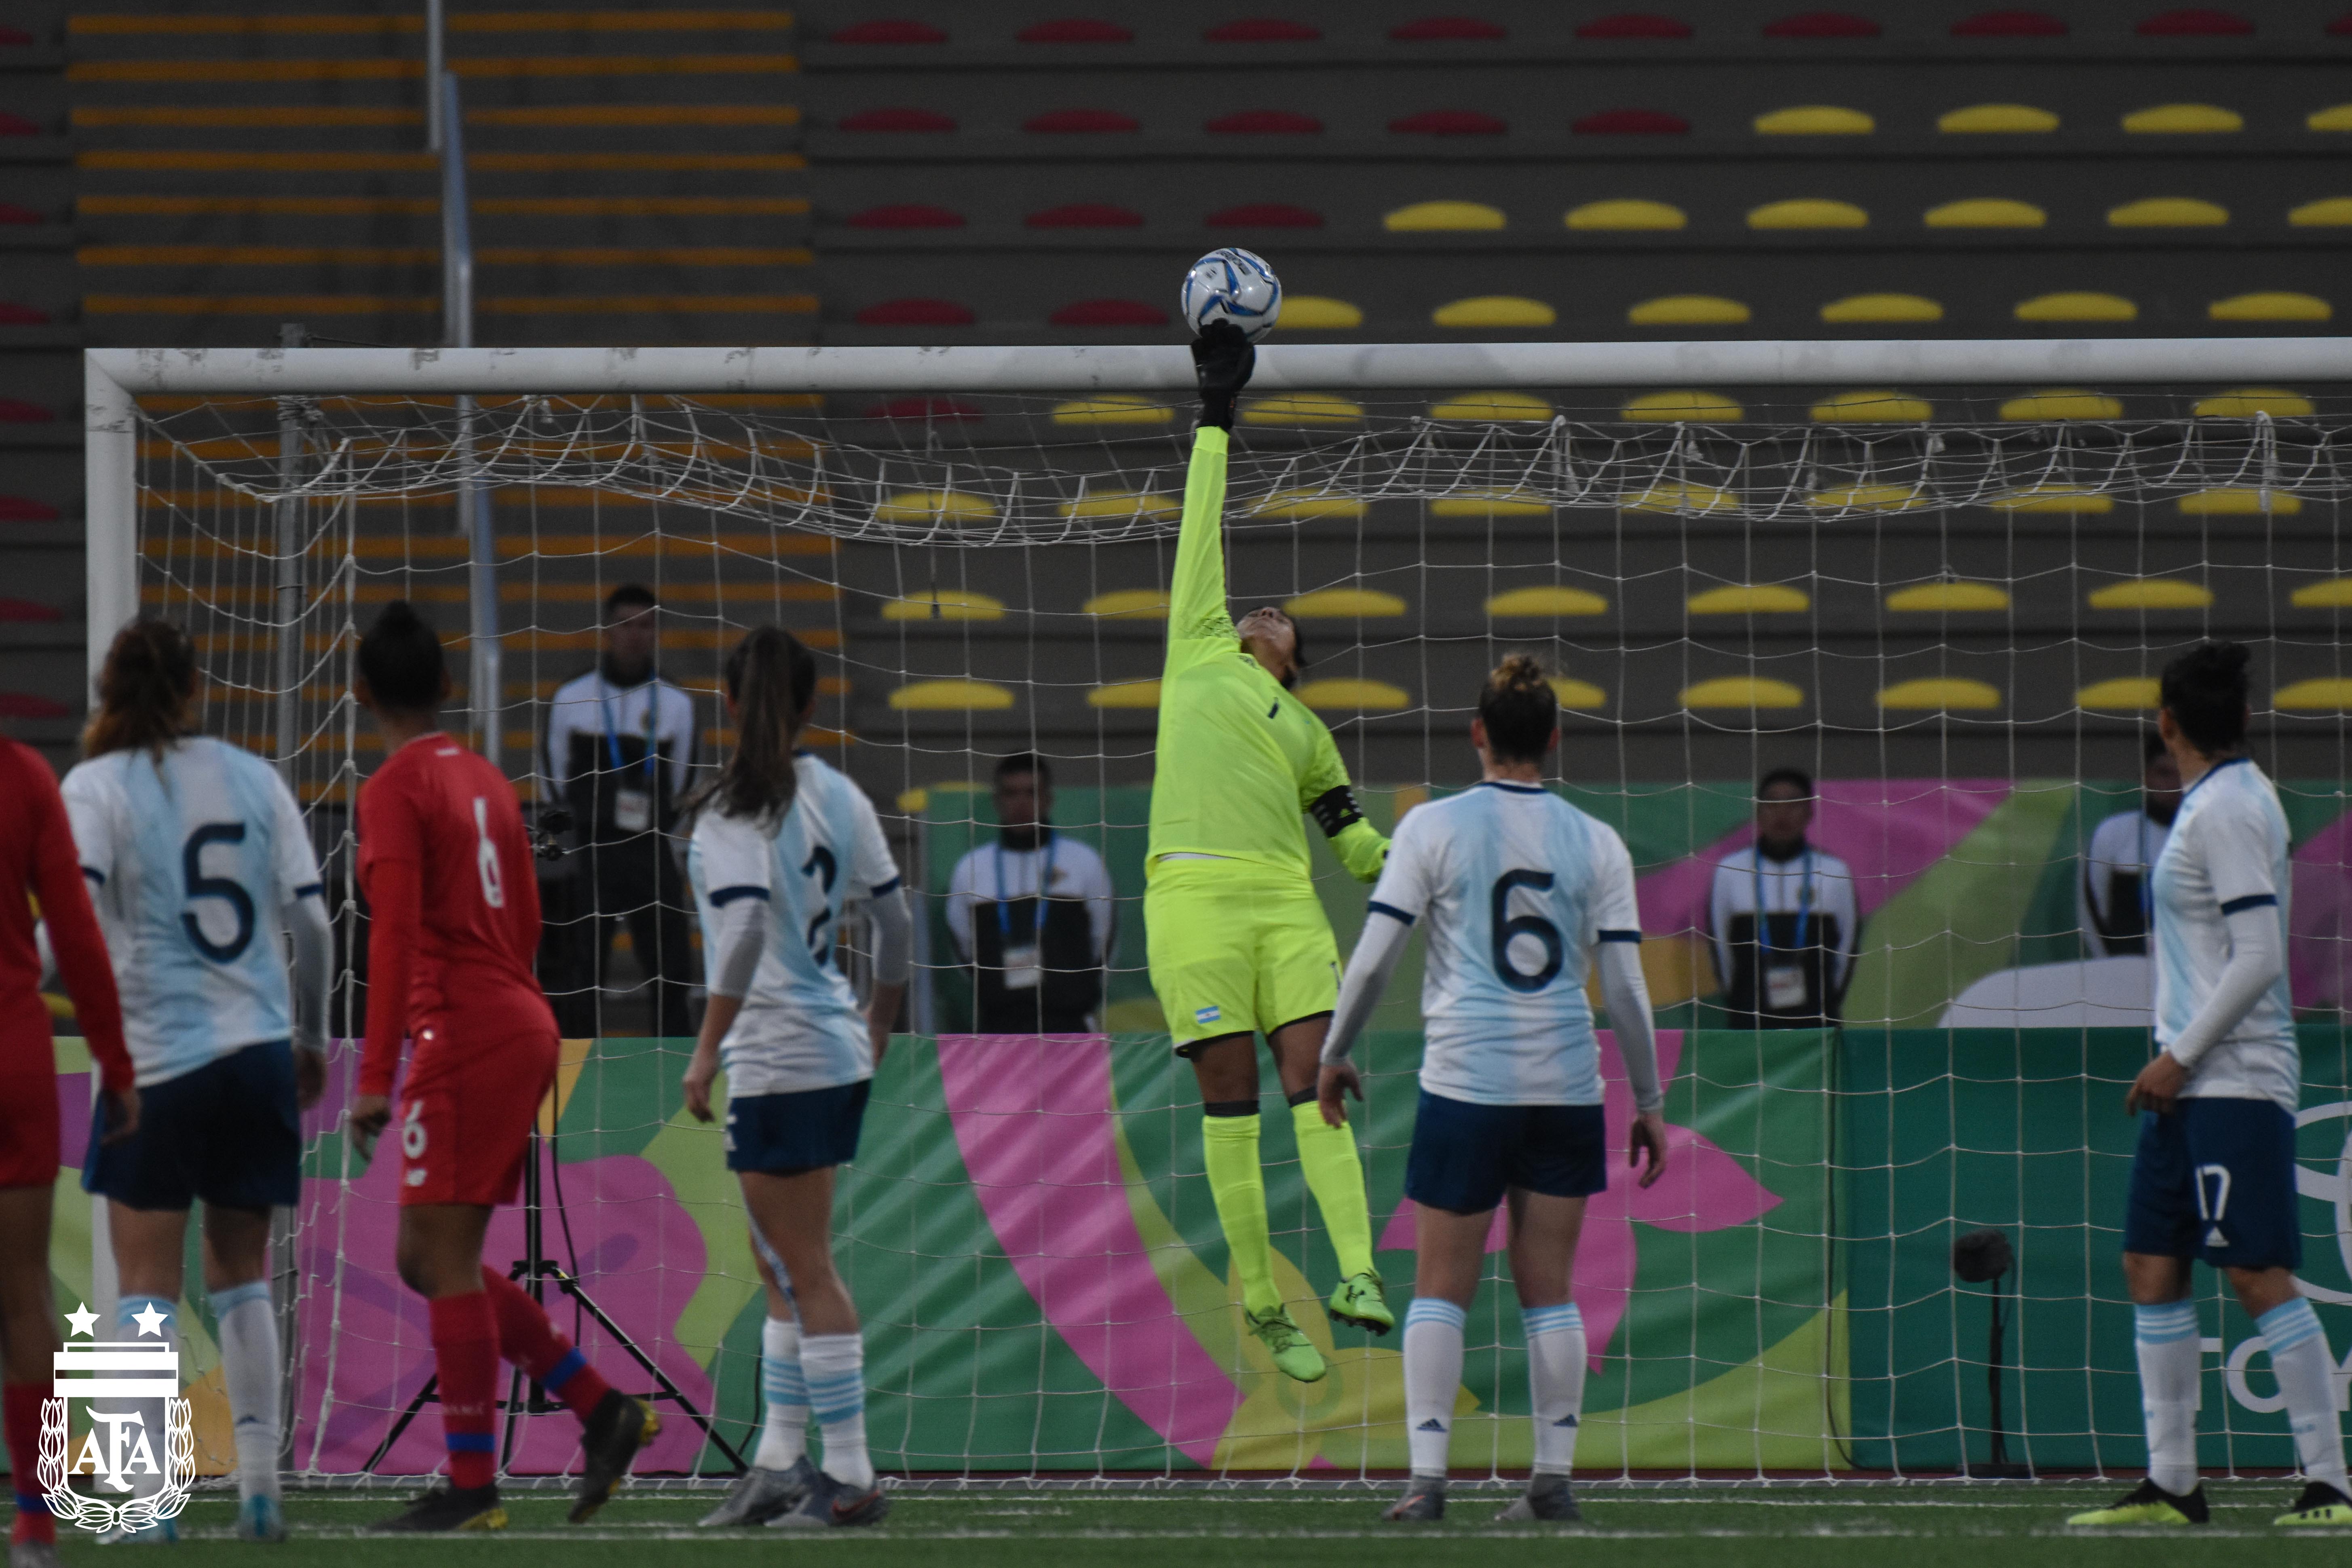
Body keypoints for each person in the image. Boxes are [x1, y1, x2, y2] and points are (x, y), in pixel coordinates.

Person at [1317, 656, 1669, 1524]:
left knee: (1441, 1284)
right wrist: (1650, 1101)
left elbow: (1374, 957)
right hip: (1563, 1085)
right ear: (1552, 737)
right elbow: (1624, 990)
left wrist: (1333, 1050)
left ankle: (1427, 1481)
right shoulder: (1598, 841)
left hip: (1467, 1080)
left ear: (1475, 732)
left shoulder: (1430, 827)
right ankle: (1550, 1481)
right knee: (1547, 1284)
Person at [344, 602, 657, 1533]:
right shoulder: (485, 778)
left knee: (437, 1258)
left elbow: (392, 932)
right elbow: (527, 914)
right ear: (447, 688)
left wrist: (373, 1072)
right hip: (521, 1014)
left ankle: (475, 1484)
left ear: (360, 694)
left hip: (466, 1029)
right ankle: (602, 1409)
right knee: (428, 1258)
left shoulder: (392, 790)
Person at [1143, 322, 1395, 1387]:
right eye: (1260, 608)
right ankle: (1256, 1294)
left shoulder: (1308, 734)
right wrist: (1214, 413)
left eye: (1281, 618)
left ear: (1294, 662)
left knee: (1316, 1082)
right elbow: (1203, 527)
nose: (1263, 608)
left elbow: (1358, 850)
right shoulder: (1198, 642)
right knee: (1232, 1096)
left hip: (1287, 906)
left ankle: (1355, 1272)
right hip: (1192, 897)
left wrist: (1440, 856)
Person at [61, 620, 334, 1545]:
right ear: (194, 690)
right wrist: (312, 1035)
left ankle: (147, 1500)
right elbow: (314, 921)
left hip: (156, 1060)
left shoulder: (94, 787)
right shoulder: (254, 776)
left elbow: (72, 925)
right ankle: (260, 1490)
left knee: (145, 1276)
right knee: (240, 1272)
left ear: (109, 691)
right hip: (258, 1051)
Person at [2069, 642, 2352, 1529]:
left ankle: (2330, 1483)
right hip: (2188, 1081)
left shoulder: (2228, 808)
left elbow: (2261, 956)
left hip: (2229, 1075)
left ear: (2165, 722)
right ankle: (2172, 1483)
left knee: (2255, 1272)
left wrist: (2179, 1052)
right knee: (2149, 1266)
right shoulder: (2211, 803)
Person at [680, 627, 908, 1530]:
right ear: (811, 705)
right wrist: (880, 1022)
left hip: (779, 1056)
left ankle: (849, 1473)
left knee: (801, 1263)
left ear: (728, 702)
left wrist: (704, 1048)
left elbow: (738, 932)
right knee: (776, 1261)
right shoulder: (837, 793)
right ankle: (779, 1460)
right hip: (830, 1047)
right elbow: (895, 923)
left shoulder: (729, 813)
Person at [0, 732, 134, 1568]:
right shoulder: (24, 774)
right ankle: (37, 1524)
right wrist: (117, 1064)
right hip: (13, 1053)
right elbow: (78, 935)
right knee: (24, 1294)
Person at [544, 584, 698, 1036]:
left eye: (646, 625)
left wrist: (660, 831)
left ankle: (672, 1067)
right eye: (625, 625)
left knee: (671, 966)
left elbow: (684, 783)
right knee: (581, 966)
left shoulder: (677, 705)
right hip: (590, 851)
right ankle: (574, 1062)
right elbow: (552, 778)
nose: (635, 635)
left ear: (656, 633)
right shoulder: (571, 698)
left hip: (649, 849)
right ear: (607, 630)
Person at [945, 753, 1116, 1033]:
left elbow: (1103, 941)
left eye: (1032, 793)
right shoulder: (971, 869)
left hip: (1069, 1025)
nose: (1022, 803)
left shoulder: (1085, 862)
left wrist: (1068, 988)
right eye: (1011, 793)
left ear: (1049, 798)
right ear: (997, 801)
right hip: (998, 1026)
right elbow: (963, 947)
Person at [1705, 767, 1858, 1029]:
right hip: (1749, 1015)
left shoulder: (1834, 872)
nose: (1782, 813)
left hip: (1816, 1016)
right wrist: (1741, 998)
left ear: (1810, 812)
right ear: (1758, 812)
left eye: (1793, 803)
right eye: (1772, 803)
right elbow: (1721, 949)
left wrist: (1827, 997)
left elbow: (1846, 950)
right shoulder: (1731, 871)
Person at [2080, 734, 2183, 957]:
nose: (2174, 786)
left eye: (2183, 775)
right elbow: (2092, 915)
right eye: (2164, 774)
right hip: (2125, 975)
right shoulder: (2113, 833)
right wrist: (2113, 968)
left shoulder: (2212, 836)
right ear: (2145, 776)